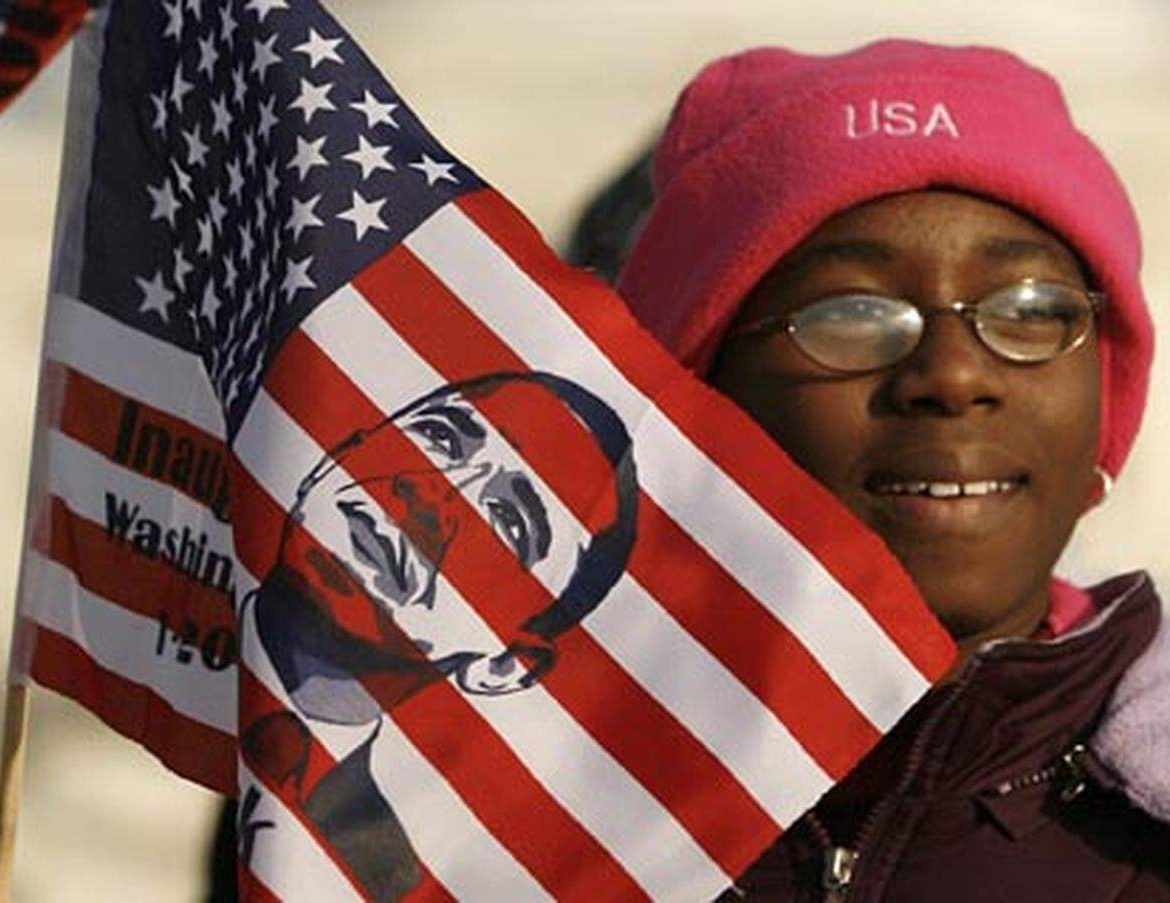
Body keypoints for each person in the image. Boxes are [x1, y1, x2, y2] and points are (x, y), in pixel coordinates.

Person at [616, 40, 1168, 900]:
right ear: (701, 393)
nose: (953, 374)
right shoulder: (491, 794)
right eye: (852, 313)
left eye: (1030, 309)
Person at [241, 370, 638, 899]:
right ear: (348, 442)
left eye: (507, 521)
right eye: (442, 437)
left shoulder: (378, 879)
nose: (432, 496)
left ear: (508, 664)